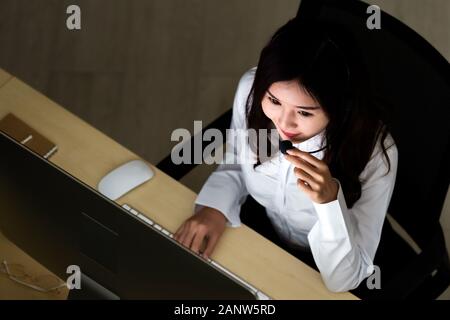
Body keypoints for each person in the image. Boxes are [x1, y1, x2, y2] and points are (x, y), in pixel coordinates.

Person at [174, 18, 398, 293]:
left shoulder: (376, 152)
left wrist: (329, 203)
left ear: (339, 106)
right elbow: (237, 158)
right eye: (274, 101)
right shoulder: (250, 90)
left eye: (304, 112)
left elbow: (344, 279)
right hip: (263, 230)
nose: (284, 123)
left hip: (332, 267)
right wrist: (215, 208)